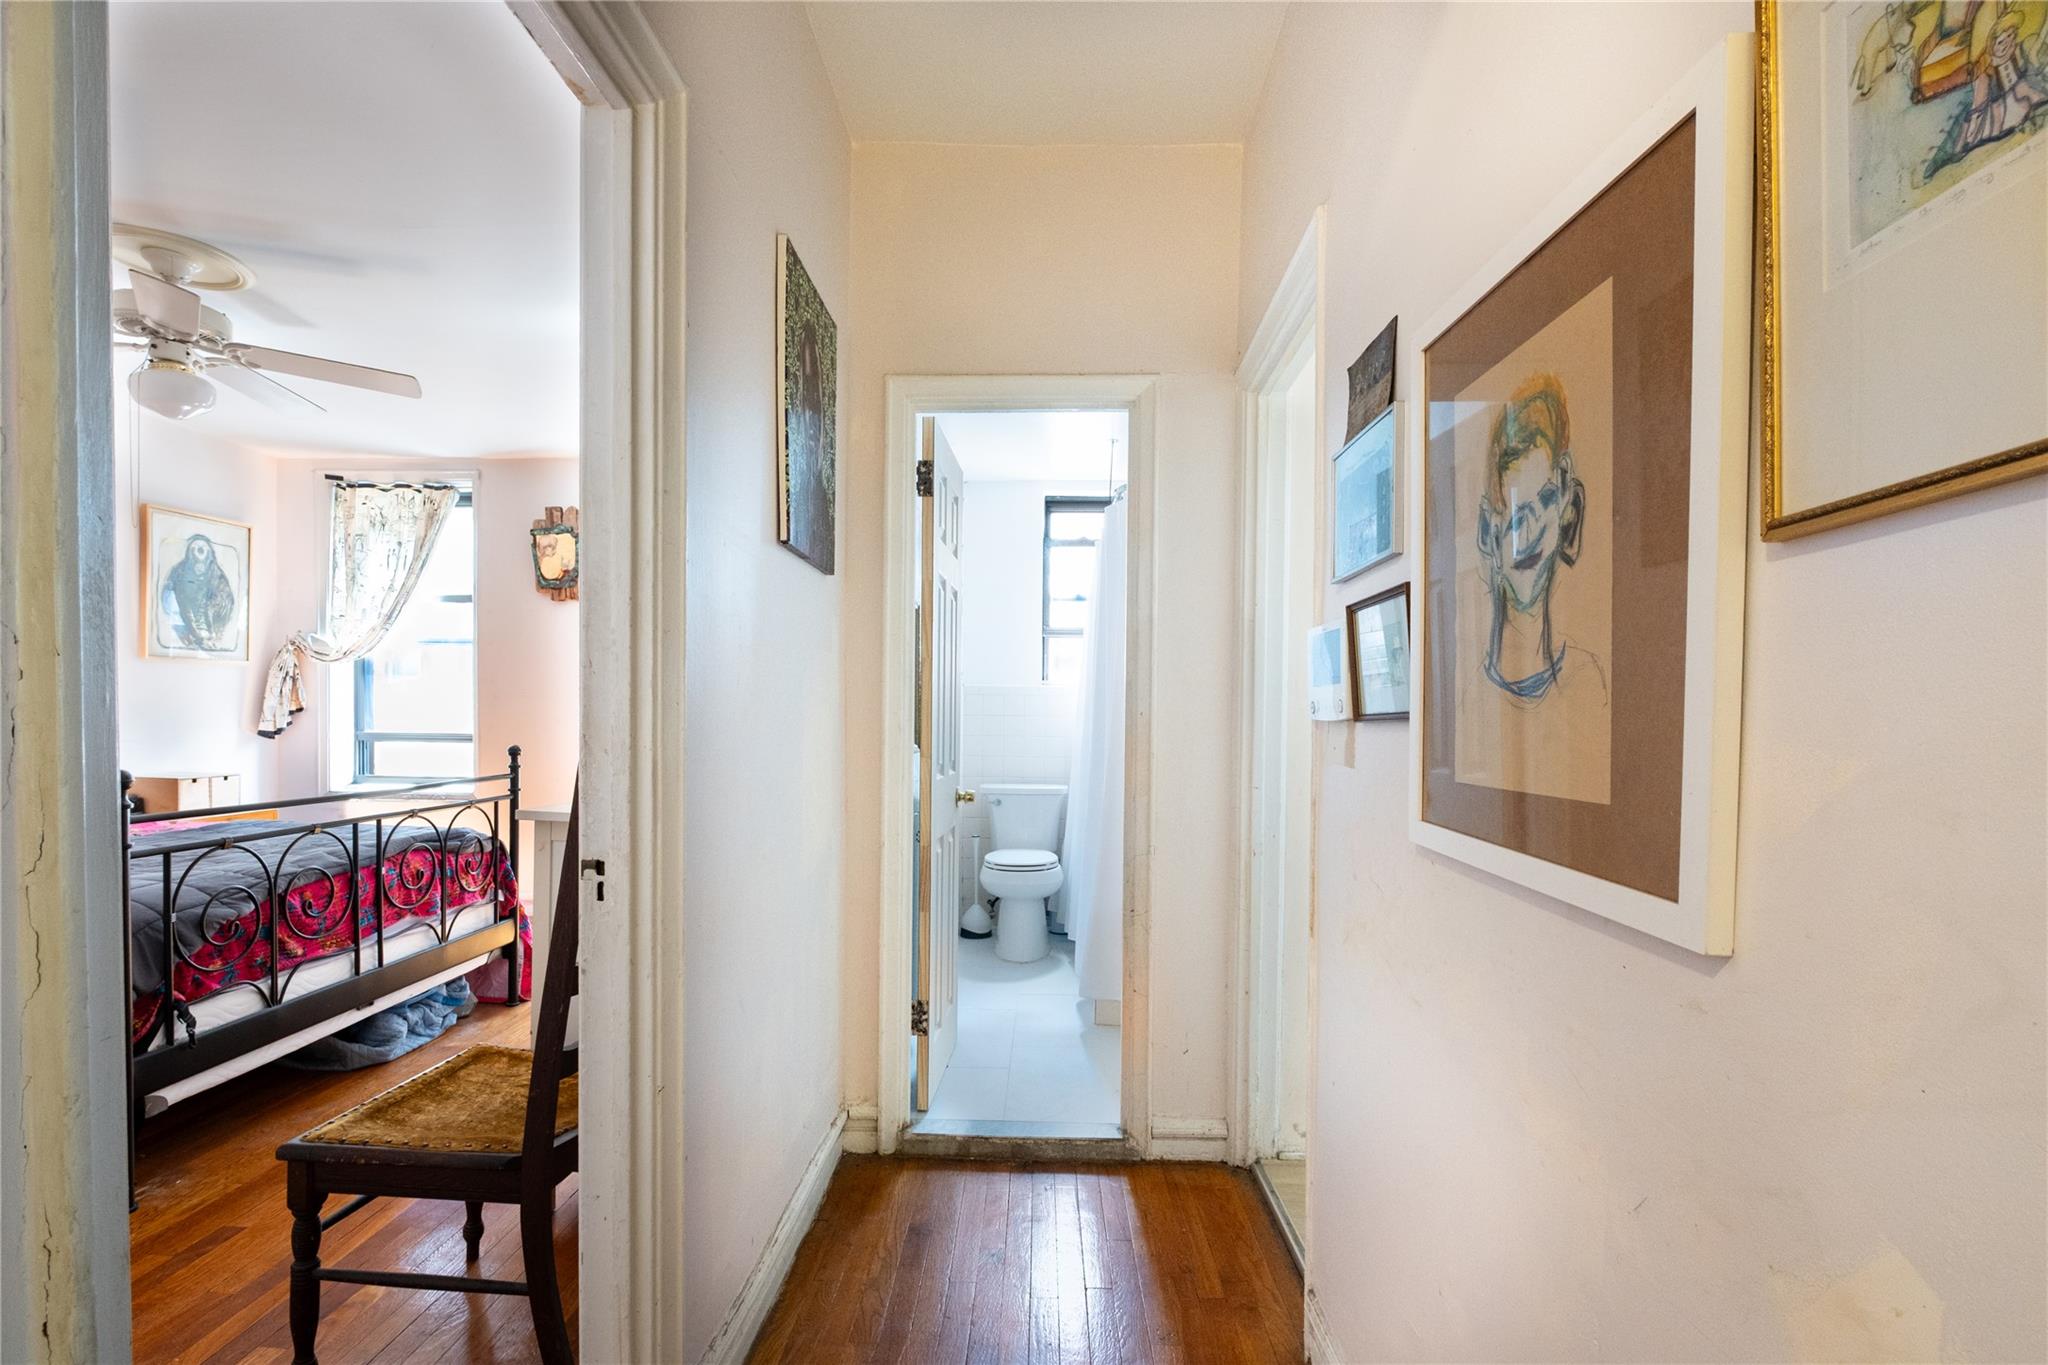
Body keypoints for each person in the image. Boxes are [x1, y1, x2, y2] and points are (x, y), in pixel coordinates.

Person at [1475, 374, 1586, 703]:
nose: (1529, 533)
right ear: (1488, 534)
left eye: (1547, 499)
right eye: (1516, 517)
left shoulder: (1590, 683)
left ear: (1569, 508)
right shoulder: (1467, 701)